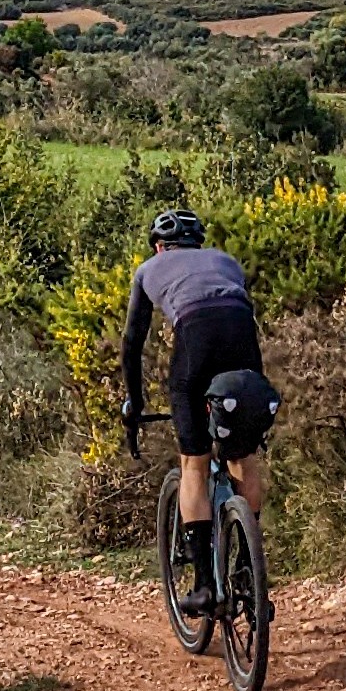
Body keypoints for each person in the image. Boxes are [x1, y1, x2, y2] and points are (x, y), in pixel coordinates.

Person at [121, 209, 269, 616]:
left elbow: (132, 344)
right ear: (199, 243)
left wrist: (134, 404)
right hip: (243, 337)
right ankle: (249, 571)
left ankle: (205, 585)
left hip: (196, 336)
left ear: (158, 245)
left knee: (194, 465)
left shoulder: (148, 269)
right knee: (241, 455)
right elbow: (236, 308)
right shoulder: (226, 260)